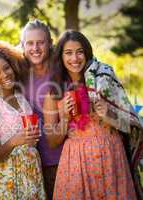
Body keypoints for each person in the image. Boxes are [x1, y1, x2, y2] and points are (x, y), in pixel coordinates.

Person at [44, 30, 140, 199]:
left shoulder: (103, 80)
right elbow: (52, 141)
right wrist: (65, 118)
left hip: (111, 156)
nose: (75, 58)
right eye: (68, 53)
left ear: (87, 53)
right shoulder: (54, 92)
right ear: (60, 56)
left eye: (79, 52)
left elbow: (130, 123)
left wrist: (108, 113)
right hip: (76, 163)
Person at [0, 40, 45, 199]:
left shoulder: (22, 99)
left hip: (31, 172)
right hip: (6, 178)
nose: (4, 74)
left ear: (12, 66)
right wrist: (15, 141)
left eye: (6, 68)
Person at [20, 19, 62, 199]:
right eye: (30, 43)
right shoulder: (18, 73)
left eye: (40, 42)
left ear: (50, 43)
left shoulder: (60, 71)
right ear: (22, 45)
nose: (35, 48)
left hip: (61, 157)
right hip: (31, 161)